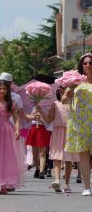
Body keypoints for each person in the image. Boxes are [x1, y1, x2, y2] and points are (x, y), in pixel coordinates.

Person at [36, 86, 79, 193]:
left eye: (71, 88)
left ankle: (66, 184)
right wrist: (40, 111)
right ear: (60, 90)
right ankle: (56, 180)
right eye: (64, 88)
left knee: (68, 159)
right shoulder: (55, 104)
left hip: (70, 133)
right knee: (57, 157)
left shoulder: (76, 102)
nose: (68, 90)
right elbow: (49, 119)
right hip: (58, 132)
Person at [63, 53, 92, 196]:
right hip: (80, 122)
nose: (88, 65)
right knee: (84, 155)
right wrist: (68, 94)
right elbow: (63, 99)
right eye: (85, 63)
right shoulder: (76, 81)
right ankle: (87, 186)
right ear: (81, 65)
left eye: (90, 63)